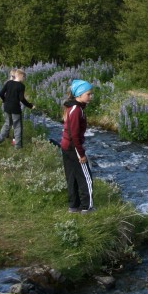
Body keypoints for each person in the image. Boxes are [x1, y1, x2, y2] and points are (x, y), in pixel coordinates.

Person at [61, 79, 94, 214]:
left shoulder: (73, 107)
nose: (91, 96)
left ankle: (73, 206)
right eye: (88, 94)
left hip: (66, 146)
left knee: (72, 177)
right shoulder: (76, 110)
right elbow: (74, 135)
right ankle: (87, 207)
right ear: (80, 94)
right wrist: (81, 154)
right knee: (86, 178)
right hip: (73, 147)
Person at [0, 68, 35, 148]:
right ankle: (18, 146)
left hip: (6, 107)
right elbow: (22, 99)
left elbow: (1, 93)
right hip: (15, 109)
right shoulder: (21, 86)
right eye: (24, 77)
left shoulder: (8, 83)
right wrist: (30, 106)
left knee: (7, 124)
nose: (24, 79)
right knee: (17, 127)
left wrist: (4, 100)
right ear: (21, 76)